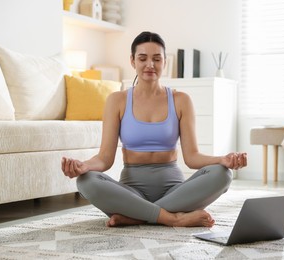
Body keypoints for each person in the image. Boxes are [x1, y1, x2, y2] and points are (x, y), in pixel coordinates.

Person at [61, 31, 247, 228]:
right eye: (143, 58)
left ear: (164, 62)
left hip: (175, 193)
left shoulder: (181, 100)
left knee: (223, 174)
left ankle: (136, 216)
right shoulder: (117, 101)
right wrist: (84, 166)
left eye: (157, 59)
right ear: (132, 61)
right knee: (85, 182)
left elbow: (192, 157)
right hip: (131, 193)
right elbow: (105, 159)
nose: (150, 64)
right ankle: (173, 218)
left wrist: (222, 160)